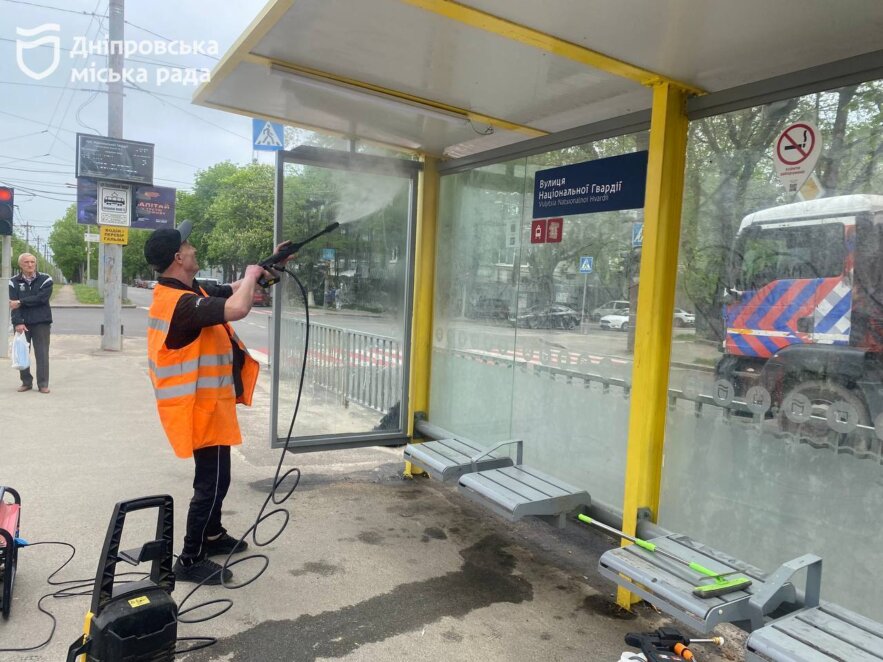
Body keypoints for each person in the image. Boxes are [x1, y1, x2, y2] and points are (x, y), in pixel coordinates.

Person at [144, 220, 290, 585]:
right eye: (189, 245)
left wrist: (271, 264)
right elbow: (238, 308)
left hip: (209, 404)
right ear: (179, 257)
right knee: (210, 482)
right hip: (196, 408)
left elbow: (237, 288)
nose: (194, 248)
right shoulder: (182, 304)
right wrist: (253, 274)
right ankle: (190, 558)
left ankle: (212, 535)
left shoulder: (191, 290)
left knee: (218, 478)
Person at [9, 253, 53, 394]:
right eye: (26, 262)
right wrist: (18, 322)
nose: (30, 264)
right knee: (22, 353)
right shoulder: (13, 282)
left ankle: (43, 384)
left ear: (35, 263)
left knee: (42, 354)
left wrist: (21, 302)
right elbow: (13, 304)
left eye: (32, 262)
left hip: (41, 322)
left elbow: (41, 299)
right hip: (23, 323)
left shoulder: (46, 279)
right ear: (20, 265)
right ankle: (26, 382)